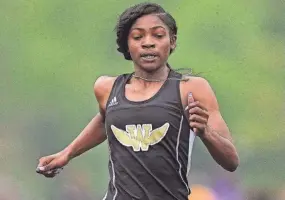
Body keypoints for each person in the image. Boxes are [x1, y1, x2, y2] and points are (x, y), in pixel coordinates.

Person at [36, 2, 239, 200]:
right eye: (137, 36)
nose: (148, 42)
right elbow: (106, 119)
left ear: (173, 41)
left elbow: (231, 161)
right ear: (127, 44)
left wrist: (206, 132)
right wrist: (67, 153)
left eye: (158, 35)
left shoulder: (191, 89)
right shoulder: (107, 88)